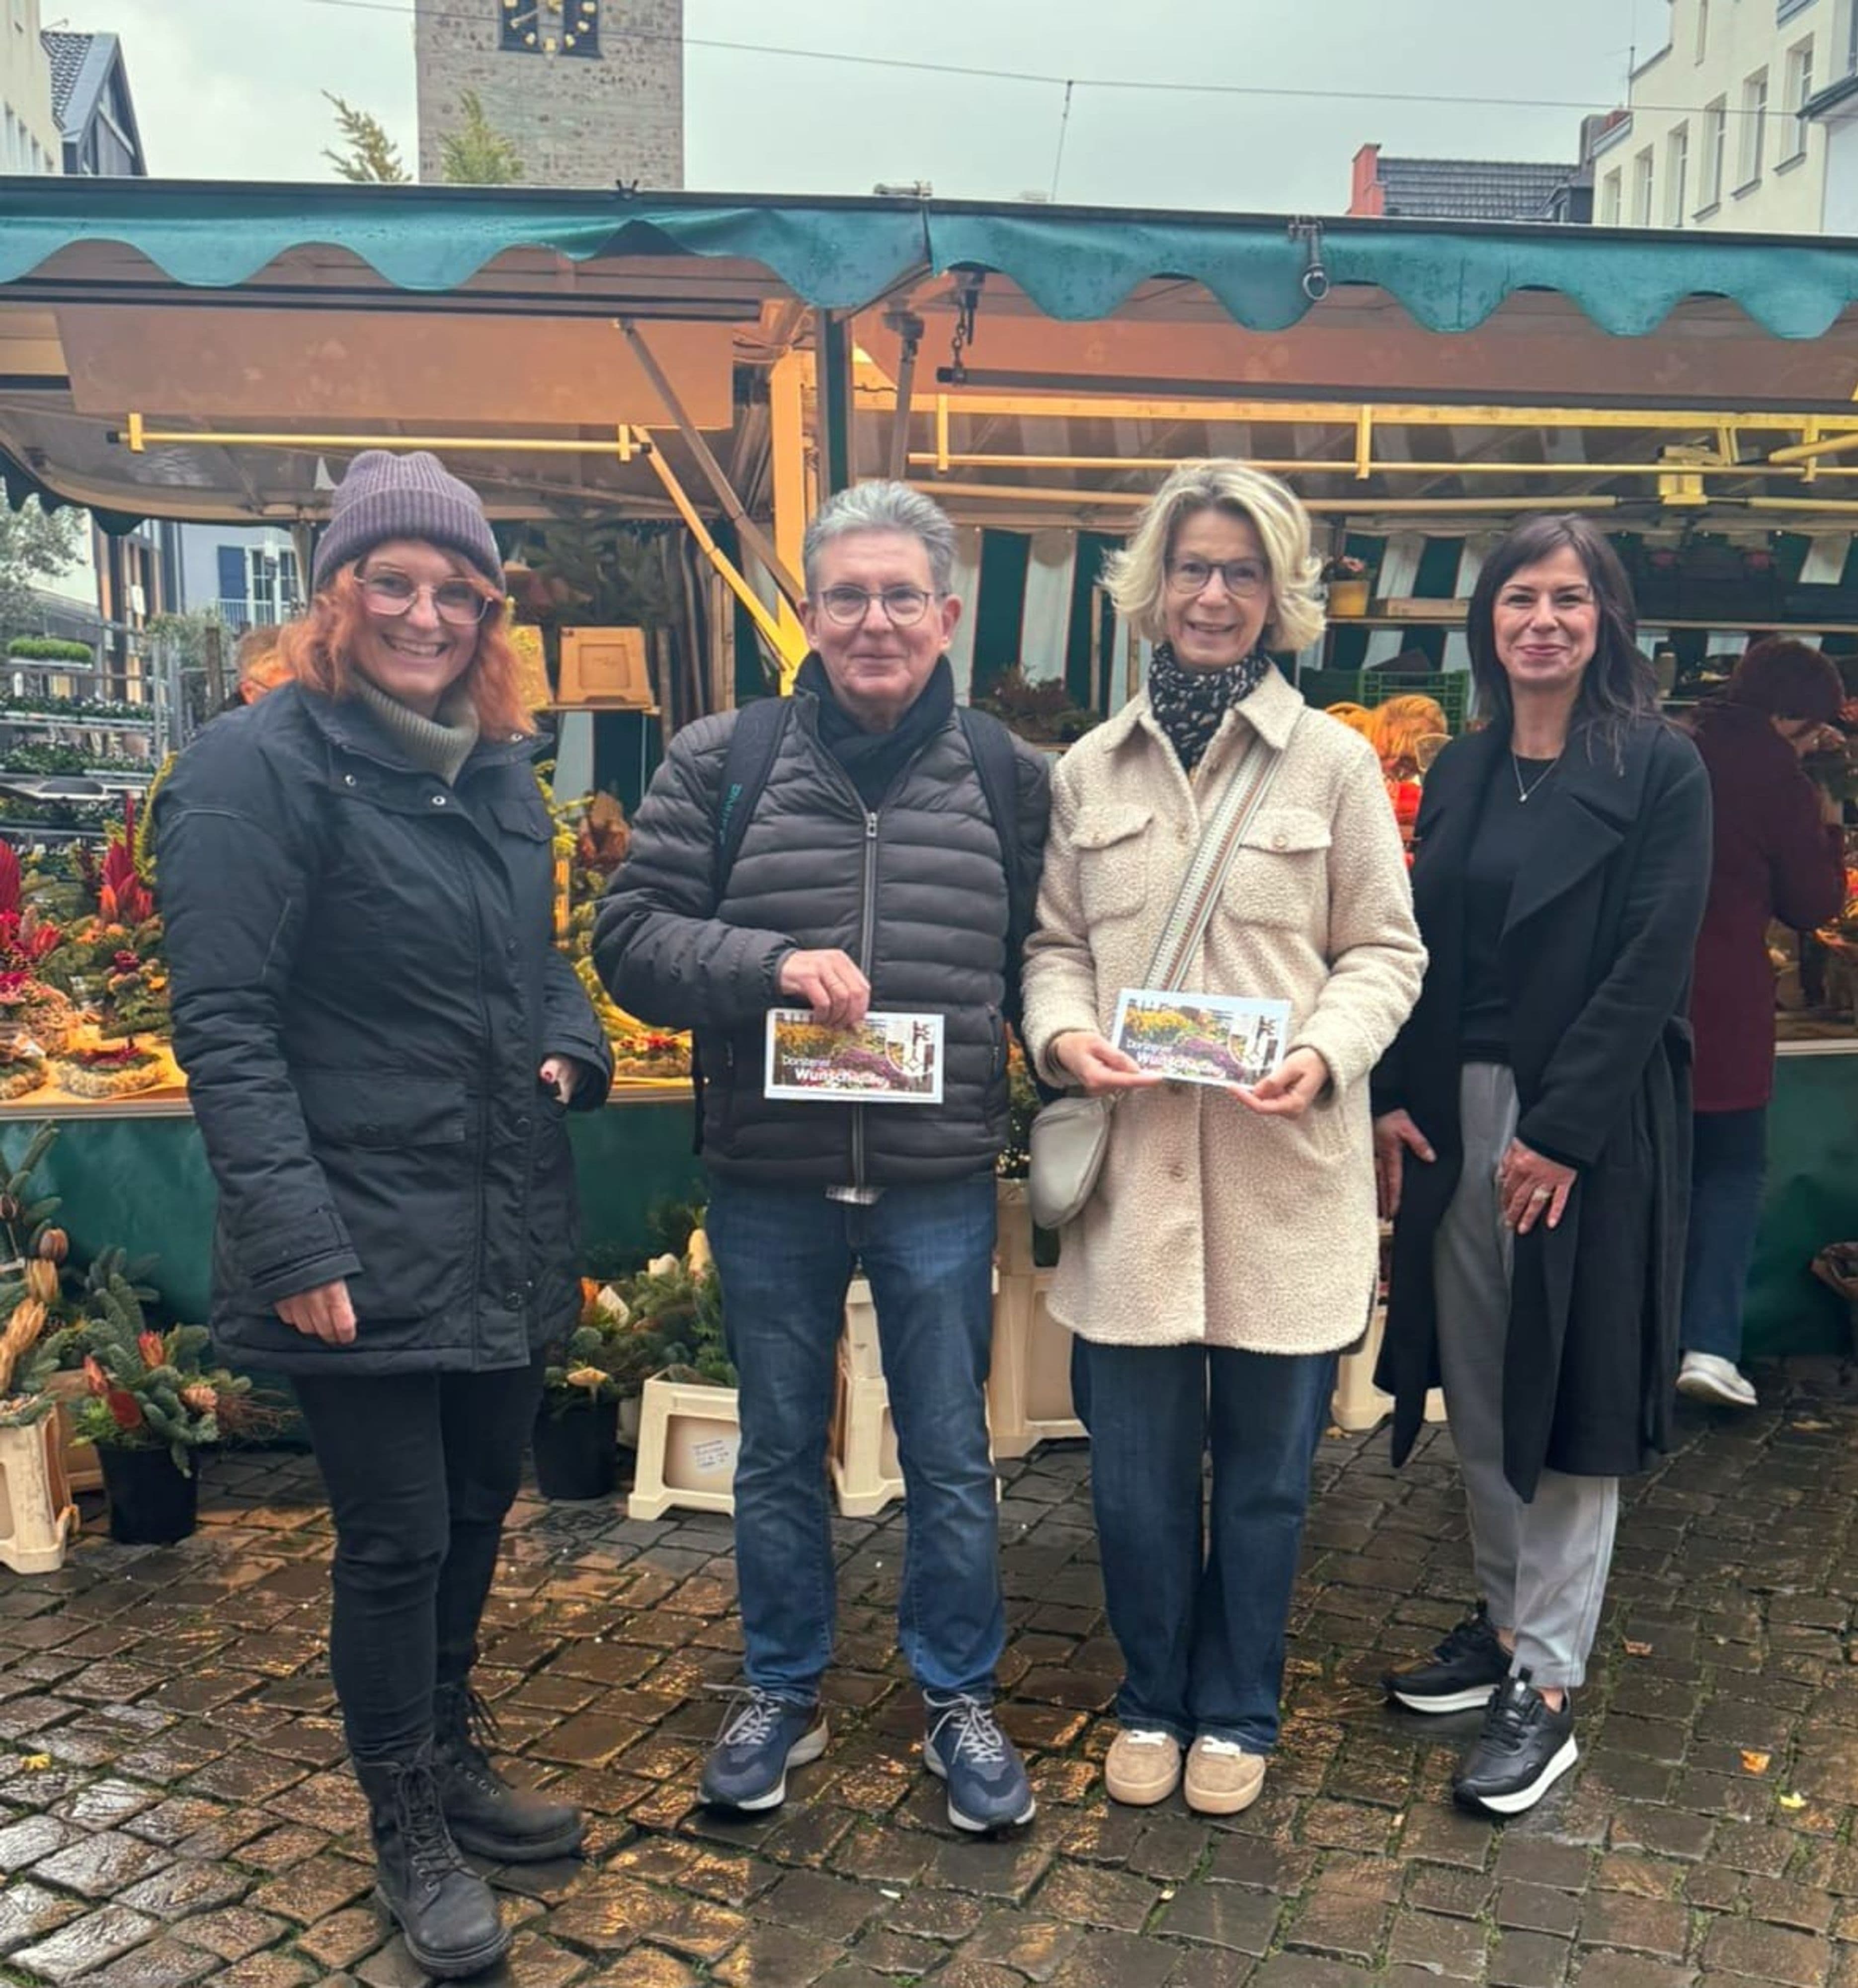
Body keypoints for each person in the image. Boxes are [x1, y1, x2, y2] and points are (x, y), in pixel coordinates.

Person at [156, 451, 614, 1980]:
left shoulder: (493, 769)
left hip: (492, 1210)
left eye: (457, 591)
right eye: (394, 582)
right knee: (396, 1540)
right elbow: (222, 1021)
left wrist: (574, 1032)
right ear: (335, 597)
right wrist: (294, 1239)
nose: (427, 612)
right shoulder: (258, 766)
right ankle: (405, 1820)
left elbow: (534, 963)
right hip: (353, 1222)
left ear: (487, 615)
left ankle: (454, 1757)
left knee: (484, 1506)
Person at [595, 480, 1050, 1833]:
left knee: (950, 1455)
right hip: (770, 1179)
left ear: (945, 613)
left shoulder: (1004, 773)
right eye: (845, 595)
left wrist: (1083, 1059)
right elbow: (630, 942)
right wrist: (769, 966)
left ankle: (957, 1698)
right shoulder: (719, 759)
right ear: (806, 610)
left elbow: (1047, 963)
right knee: (779, 1447)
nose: (872, 621)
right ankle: (781, 1690)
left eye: (899, 595)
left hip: (935, 1181)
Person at [1018, 461, 1425, 1816]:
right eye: (1190, 567)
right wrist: (1062, 1034)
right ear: (1151, 585)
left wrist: (1324, 1051)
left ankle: (1236, 1711)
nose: (1210, 594)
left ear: (1276, 596)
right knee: (1131, 1488)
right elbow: (1054, 948)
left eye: (1239, 572)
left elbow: (1383, 948)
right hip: (1135, 1187)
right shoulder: (1087, 769)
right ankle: (1150, 1699)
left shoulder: (1335, 762)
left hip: (1282, 1182)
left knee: (1261, 1488)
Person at [1373, 515, 1710, 1819]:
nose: (1544, 622)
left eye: (1570, 599)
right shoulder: (1456, 770)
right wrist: (1397, 1099)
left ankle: (1548, 1688)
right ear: (1486, 622)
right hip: (1455, 1110)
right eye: (1520, 599)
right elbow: (1419, 948)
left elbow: (1650, 963)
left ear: (1605, 619)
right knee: (1477, 1377)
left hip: (1591, 1119)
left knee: (1567, 1386)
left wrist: (1559, 1132)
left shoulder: (1656, 768)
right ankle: (1505, 1628)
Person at [1680, 638, 1847, 1407]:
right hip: (1725, 1007)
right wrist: (1825, 806)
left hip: (1636, 1002)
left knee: (1647, 1177)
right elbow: (1815, 904)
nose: (1816, 741)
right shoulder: (1775, 774)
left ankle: (1627, 1340)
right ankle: (1709, 1344)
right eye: (1812, 728)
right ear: (1787, 714)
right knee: (1731, 1171)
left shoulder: (1673, 743)